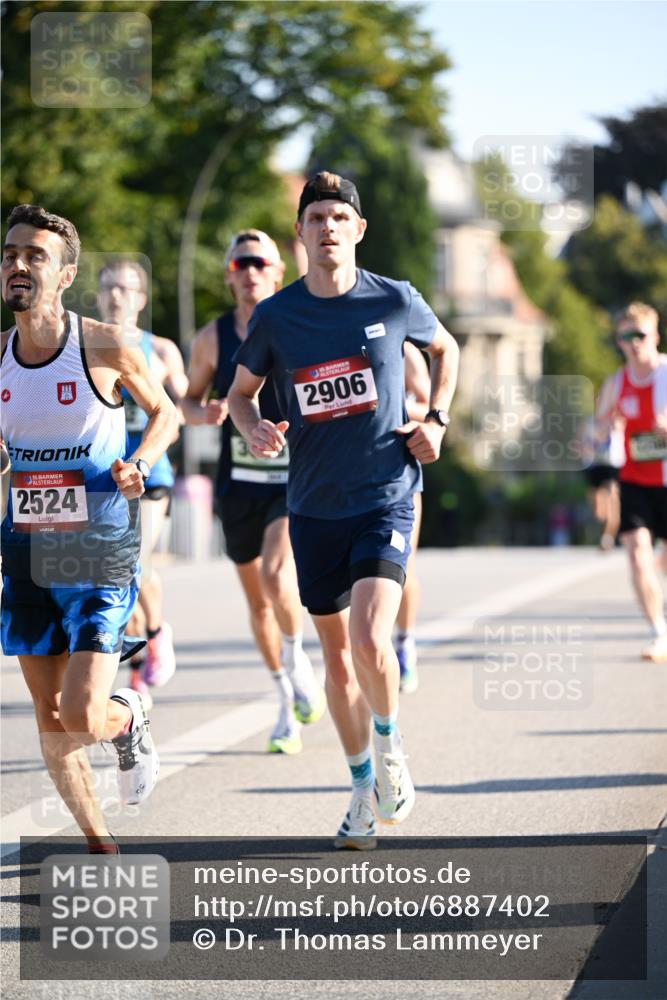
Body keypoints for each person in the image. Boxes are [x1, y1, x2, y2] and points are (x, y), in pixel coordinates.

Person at [228, 172, 459, 848]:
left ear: (357, 230)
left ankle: (390, 751)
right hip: (312, 505)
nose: (326, 227)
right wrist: (251, 427)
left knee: (367, 639)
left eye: (338, 216)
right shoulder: (277, 315)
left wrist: (437, 419)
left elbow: (446, 348)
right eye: (314, 217)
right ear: (299, 233)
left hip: (387, 492)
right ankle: (362, 787)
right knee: (335, 663)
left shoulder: (395, 299)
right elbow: (243, 393)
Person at [0, 205, 178, 853]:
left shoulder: (102, 342)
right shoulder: (0, 356)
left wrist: (139, 463)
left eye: (35, 255)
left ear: (66, 273)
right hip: (22, 550)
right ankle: (99, 842)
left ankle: (128, 715)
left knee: (79, 714)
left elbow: (165, 414)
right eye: (10, 253)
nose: (18, 264)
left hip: (97, 550)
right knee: (47, 720)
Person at [182, 229, 325, 754]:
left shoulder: (296, 323)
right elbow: (187, 402)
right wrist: (208, 412)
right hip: (237, 485)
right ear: (229, 273)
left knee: (275, 572)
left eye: (260, 262)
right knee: (258, 604)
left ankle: (299, 661)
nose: (250, 272)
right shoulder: (211, 339)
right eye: (240, 263)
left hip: (290, 480)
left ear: (278, 271)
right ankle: (286, 698)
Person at [97, 259, 188, 697]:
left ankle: (156, 631)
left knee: (134, 561)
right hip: (103, 478)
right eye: (108, 287)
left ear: (141, 299)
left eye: (125, 288)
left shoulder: (162, 350)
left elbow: (185, 401)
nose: (116, 295)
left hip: (151, 472)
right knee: (114, 573)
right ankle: (136, 671)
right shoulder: (85, 347)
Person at [596, 302, 667, 662]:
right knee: (639, 556)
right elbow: (597, 426)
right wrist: (607, 429)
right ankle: (658, 632)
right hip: (635, 481)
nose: (634, 342)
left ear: (654, 335)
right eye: (627, 336)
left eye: (640, 335)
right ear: (620, 342)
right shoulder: (616, 382)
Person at [394, 342, 431, 693]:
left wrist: (391, 408)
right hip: (339, 478)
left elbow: (428, 405)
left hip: (397, 478)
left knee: (403, 568)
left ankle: (404, 642)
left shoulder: (402, 347)